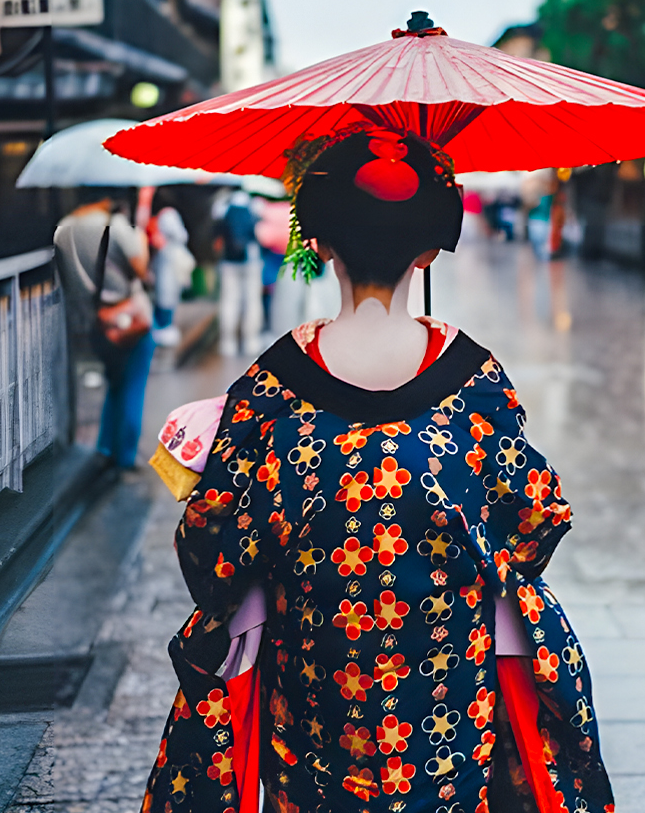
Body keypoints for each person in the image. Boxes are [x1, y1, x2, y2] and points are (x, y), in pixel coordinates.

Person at [141, 127, 612, 813]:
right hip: (448, 706)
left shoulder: (271, 389)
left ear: (318, 242)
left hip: (311, 702)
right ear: (430, 248)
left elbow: (208, 550)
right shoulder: (475, 385)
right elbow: (536, 525)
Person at [53, 190, 155, 469]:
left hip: (91, 322)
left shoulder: (63, 229)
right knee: (131, 386)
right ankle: (124, 457)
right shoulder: (116, 226)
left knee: (114, 382)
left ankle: (105, 446)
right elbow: (142, 270)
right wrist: (142, 237)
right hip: (126, 319)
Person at [215, 189, 264, 357]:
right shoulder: (254, 206)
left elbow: (217, 235)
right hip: (251, 260)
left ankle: (228, 342)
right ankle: (250, 340)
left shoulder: (223, 207)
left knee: (229, 300)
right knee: (252, 301)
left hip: (228, 261)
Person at [150, 202, 193, 348]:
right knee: (165, 297)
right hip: (167, 268)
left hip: (168, 267)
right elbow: (181, 235)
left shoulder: (161, 219)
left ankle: (164, 328)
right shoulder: (167, 216)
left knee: (167, 297)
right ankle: (163, 328)